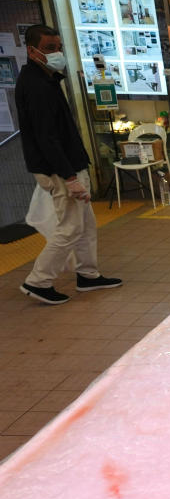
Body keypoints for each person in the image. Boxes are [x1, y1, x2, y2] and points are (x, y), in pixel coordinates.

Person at [16, 24, 122, 305]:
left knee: (85, 224)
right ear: (32, 51)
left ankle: (88, 275)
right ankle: (38, 281)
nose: (57, 53)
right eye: (49, 48)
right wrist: (70, 177)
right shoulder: (37, 86)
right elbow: (46, 138)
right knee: (70, 227)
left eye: (58, 46)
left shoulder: (46, 79)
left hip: (70, 164)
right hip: (63, 169)